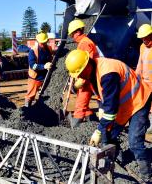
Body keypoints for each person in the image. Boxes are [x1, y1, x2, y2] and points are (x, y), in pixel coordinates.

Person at [65, 49, 152, 181]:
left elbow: (111, 111)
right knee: (108, 134)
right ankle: (112, 161)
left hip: (138, 100)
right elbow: (103, 97)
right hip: (123, 105)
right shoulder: (91, 71)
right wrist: (77, 86)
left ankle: (146, 176)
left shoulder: (108, 74)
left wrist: (98, 131)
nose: (80, 76)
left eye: (81, 73)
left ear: (87, 64)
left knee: (134, 141)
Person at [67, 19, 100, 127]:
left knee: (80, 104)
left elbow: (87, 65)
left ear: (77, 32)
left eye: (72, 34)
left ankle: (74, 127)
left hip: (88, 79)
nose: (72, 37)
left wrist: (81, 80)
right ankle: (93, 120)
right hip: (88, 78)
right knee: (84, 104)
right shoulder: (84, 42)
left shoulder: (84, 43)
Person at [24, 32, 52, 108]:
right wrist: (44, 66)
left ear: (47, 41)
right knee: (30, 95)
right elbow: (32, 65)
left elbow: (52, 55)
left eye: (44, 42)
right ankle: (27, 109)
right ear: (37, 41)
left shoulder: (49, 48)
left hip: (45, 77)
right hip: (35, 77)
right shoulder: (33, 51)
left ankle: (43, 109)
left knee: (46, 95)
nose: (42, 44)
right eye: (41, 43)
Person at [136, 24, 152, 134]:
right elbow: (140, 63)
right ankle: (145, 124)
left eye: (146, 37)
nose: (144, 40)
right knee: (143, 105)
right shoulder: (142, 47)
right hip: (145, 82)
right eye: (142, 38)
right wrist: (137, 77)